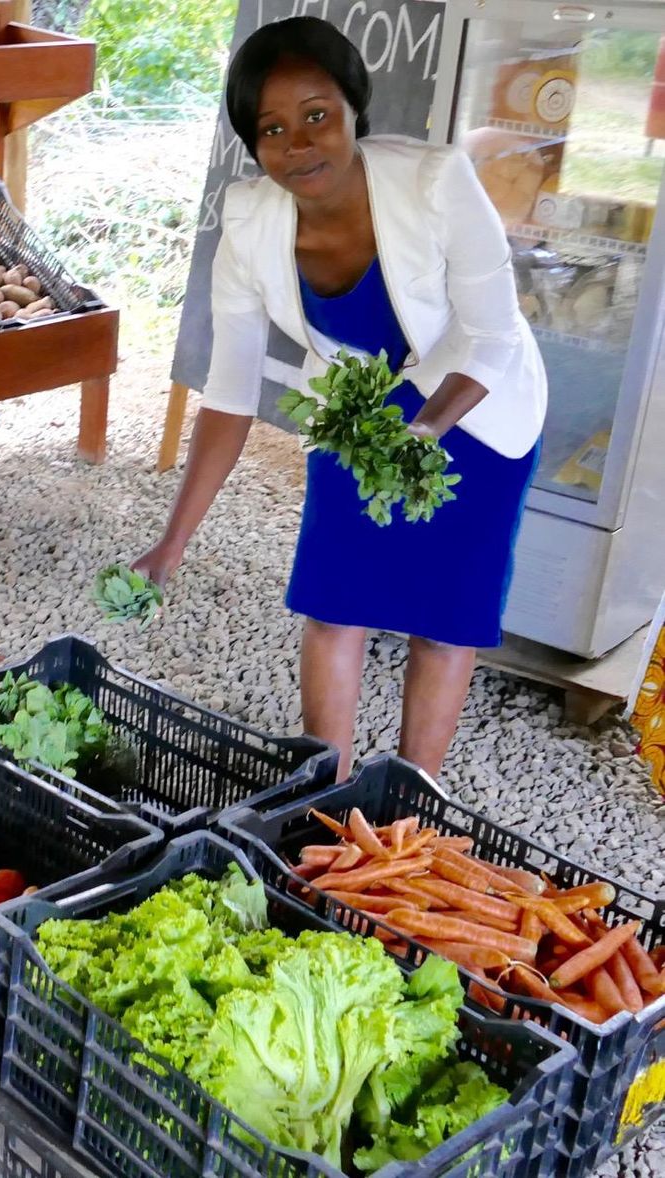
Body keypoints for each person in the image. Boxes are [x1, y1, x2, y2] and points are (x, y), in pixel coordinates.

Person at [135, 17, 547, 781]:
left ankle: (407, 805)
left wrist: (421, 430)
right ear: (253, 145)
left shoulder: (435, 181)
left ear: (354, 106)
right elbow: (228, 392)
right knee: (333, 605)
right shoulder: (252, 220)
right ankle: (322, 797)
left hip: (477, 411)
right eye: (272, 128)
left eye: (317, 114)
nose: (297, 144)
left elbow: (494, 336)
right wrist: (173, 541)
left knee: (444, 623)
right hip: (356, 418)